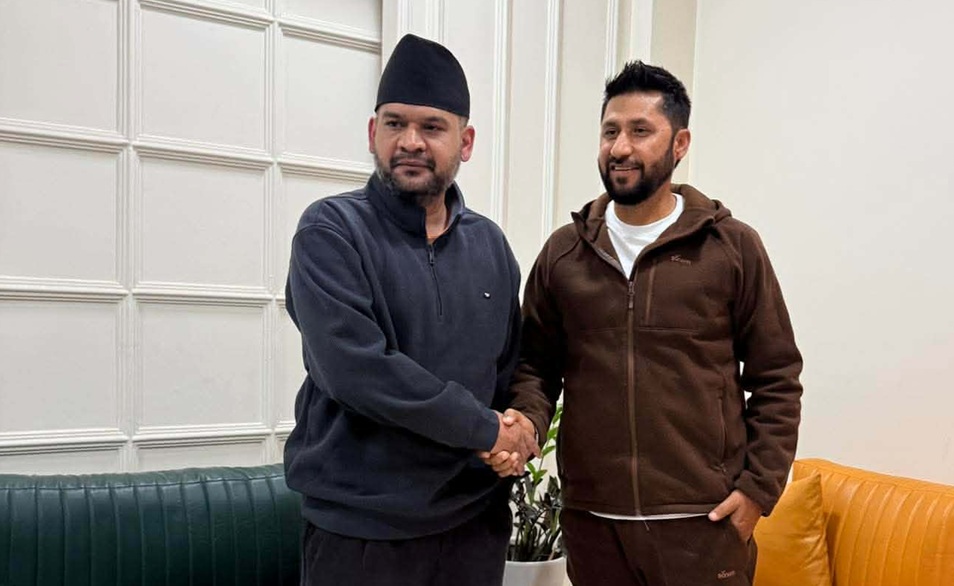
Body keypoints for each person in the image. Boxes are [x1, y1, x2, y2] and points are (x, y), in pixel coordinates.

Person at [488, 61, 804, 585]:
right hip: (594, 527)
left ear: (680, 144)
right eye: (610, 131)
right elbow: (535, 368)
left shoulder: (731, 248)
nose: (620, 148)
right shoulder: (564, 254)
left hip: (703, 525)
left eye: (640, 131)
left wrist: (757, 491)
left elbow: (777, 378)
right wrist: (526, 425)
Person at [284, 34, 538, 586]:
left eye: (432, 127)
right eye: (395, 123)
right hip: (362, 534)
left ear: (465, 142)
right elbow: (357, 371)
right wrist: (486, 430)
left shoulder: (491, 245)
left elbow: (510, 366)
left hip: (474, 527)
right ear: (372, 133)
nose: (410, 142)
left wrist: (519, 428)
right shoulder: (330, 231)